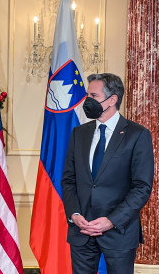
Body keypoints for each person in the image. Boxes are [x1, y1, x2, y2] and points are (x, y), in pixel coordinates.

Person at [61, 73, 154, 274]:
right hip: (81, 230)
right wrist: (74, 214)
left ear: (112, 100)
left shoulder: (137, 135)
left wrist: (111, 220)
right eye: (88, 95)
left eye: (93, 96)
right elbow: (68, 179)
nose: (87, 101)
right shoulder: (79, 133)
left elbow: (142, 187)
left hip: (119, 232)